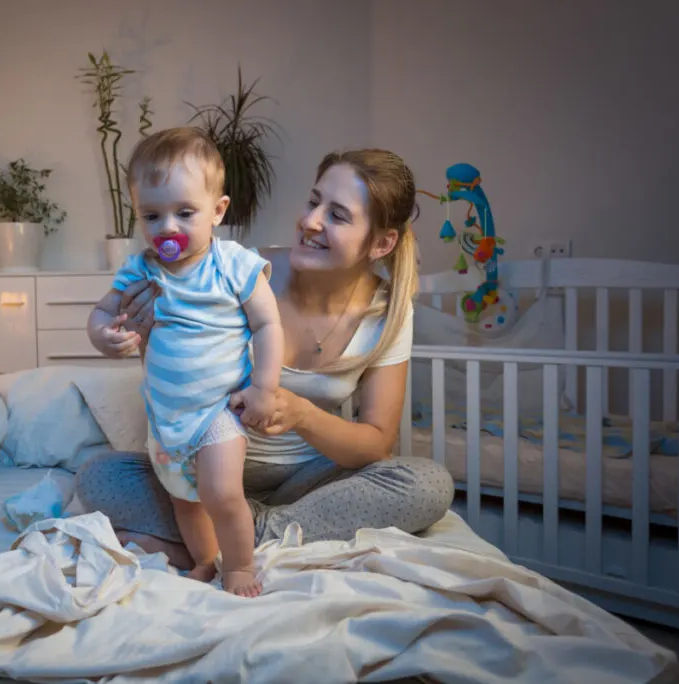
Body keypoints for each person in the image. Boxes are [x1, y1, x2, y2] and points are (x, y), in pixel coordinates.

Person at [78, 147, 455, 577]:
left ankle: (242, 532)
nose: (311, 221)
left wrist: (302, 415)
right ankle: (241, 529)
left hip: (306, 482)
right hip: (206, 458)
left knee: (428, 484)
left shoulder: (387, 314)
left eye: (337, 215)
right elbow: (175, 370)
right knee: (97, 476)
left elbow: (375, 444)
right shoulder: (236, 270)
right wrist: (136, 335)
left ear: (381, 242)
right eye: (314, 202)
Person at [87, 127, 284, 597]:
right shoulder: (141, 268)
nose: (167, 228)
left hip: (218, 410)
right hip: (166, 415)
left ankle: (239, 567)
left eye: (184, 212)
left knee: (219, 493)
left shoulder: (233, 264)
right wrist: (101, 335)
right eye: (152, 215)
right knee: (185, 500)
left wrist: (265, 388)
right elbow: (101, 310)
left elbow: (268, 326)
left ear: (217, 212)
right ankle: (204, 560)